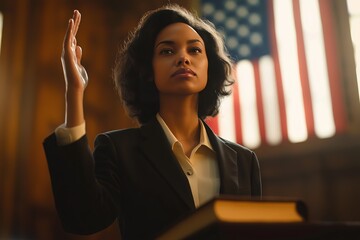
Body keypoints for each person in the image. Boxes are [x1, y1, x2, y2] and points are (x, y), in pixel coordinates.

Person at [43, 4, 262, 240]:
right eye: (167, 51)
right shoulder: (118, 149)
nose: (183, 58)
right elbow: (84, 218)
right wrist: (74, 92)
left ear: (210, 67)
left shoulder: (244, 161)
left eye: (195, 50)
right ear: (148, 70)